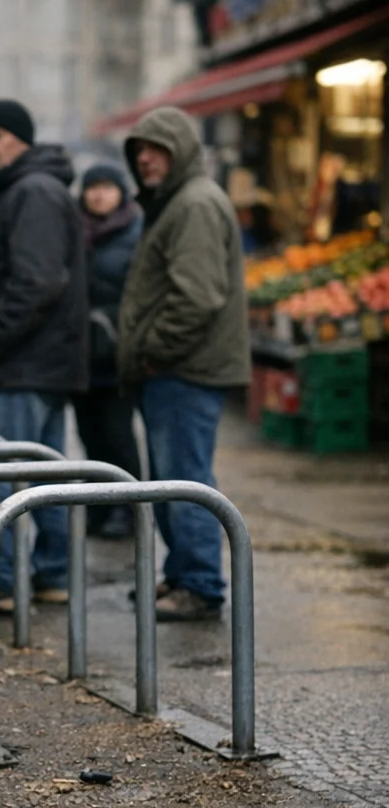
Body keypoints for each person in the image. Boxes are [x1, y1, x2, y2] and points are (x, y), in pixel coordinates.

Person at [0, 98, 88, 611]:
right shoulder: (26, 190)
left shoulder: (31, 192)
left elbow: (38, 282)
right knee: (45, 478)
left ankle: (2, 581)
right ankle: (50, 576)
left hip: (22, 366)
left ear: (21, 140)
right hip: (37, 364)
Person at [117, 106, 251, 622]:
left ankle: (198, 583)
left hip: (183, 370)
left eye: (156, 149)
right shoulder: (176, 202)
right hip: (175, 369)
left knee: (184, 478)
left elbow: (197, 297)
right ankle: (182, 575)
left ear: (181, 151)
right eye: (139, 151)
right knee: (171, 477)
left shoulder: (192, 204)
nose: (145, 159)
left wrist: (153, 350)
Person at [72, 163, 144, 540]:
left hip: (117, 353)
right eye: (92, 188)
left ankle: (128, 508)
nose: (98, 195)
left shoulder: (136, 231)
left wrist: (111, 320)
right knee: (90, 435)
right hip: (81, 354)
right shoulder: (74, 230)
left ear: (121, 192)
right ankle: (99, 504)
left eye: (106, 187)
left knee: (118, 433)